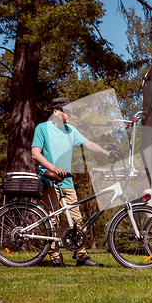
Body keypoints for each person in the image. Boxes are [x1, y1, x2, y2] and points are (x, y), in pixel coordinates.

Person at [31, 97, 110, 267]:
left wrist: (104, 151)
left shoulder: (70, 130)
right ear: (56, 112)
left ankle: (81, 256)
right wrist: (53, 168)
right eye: (67, 111)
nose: (71, 114)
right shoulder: (42, 128)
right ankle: (55, 256)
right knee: (53, 221)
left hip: (67, 182)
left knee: (76, 220)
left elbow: (87, 144)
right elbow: (35, 154)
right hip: (49, 180)